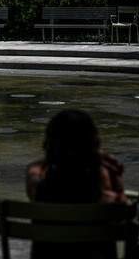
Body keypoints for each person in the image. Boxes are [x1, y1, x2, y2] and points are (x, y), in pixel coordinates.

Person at [25, 109, 125, 259]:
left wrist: (55, 156)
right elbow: (122, 214)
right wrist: (94, 157)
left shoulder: (41, 191)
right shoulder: (107, 197)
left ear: (50, 145)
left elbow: (32, 170)